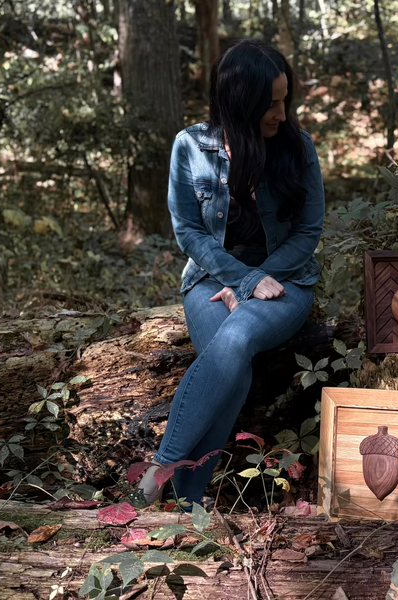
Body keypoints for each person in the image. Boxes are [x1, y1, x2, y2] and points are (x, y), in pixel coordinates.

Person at [136, 39, 324, 507]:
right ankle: (189, 506)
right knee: (234, 374)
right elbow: (189, 232)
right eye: (271, 103)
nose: (282, 113)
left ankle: (161, 468)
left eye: (285, 100)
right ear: (241, 102)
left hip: (285, 282)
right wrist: (238, 279)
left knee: (236, 337)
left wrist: (256, 280)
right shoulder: (190, 146)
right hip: (209, 281)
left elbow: (308, 232)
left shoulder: (298, 147)